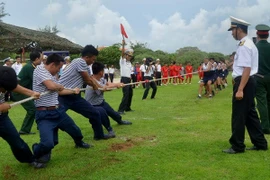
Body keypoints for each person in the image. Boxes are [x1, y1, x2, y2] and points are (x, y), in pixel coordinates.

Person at [32, 54, 91, 166]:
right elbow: (52, 87)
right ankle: (37, 149)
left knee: (76, 131)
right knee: (48, 143)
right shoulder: (40, 70)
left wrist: (73, 91)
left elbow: (59, 90)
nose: (59, 71)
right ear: (53, 64)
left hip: (58, 111)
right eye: (59, 68)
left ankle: (79, 142)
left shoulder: (53, 75)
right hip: (44, 114)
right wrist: (58, 86)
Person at [223, 16, 268, 154]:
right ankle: (260, 143)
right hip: (249, 81)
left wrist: (240, 89)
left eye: (233, 30)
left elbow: (246, 68)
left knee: (239, 115)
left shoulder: (244, 46)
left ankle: (237, 146)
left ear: (239, 30)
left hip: (245, 82)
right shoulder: (248, 43)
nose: (231, 33)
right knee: (250, 115)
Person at [58, 45, 114, 140]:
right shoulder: (80, 61)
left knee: (94, 113)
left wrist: (101, 87)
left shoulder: (86, 67)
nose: (93, 61)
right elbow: (87, 80)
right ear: (87, 57)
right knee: (56, 118)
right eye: (93, 59)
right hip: (62, 96)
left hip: (75, 96)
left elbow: (91, 79)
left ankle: (99, 136)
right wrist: (98, 87)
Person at [0, 66, 44, 168]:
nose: (6, 91)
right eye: (5, 89)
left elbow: (14, 86)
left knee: (16, 140)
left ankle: (30, 159)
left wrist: (31, 93)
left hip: (2, 119)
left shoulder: (4, 79)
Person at [85, 62, 132, 126]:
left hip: (100, 102)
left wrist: (118, 84)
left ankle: (120, 121)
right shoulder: (92, 82)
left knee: (113, 113)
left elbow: (108, 84)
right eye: (103, 70)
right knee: (100, 117)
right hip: (92, 105)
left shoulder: (101, 79)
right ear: (101, 72)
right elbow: (105, 88)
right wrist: (116, 86)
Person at [12, 51, 42, 135]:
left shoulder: (32, 67)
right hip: (19, 92)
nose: (42, 61)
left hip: (25, 92)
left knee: (36, 107)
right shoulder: (29, 68)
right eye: (41, 59)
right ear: (36, 59)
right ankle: (24, 130)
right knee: (32, 109)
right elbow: (38, 81)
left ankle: (40, 126)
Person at [254, 24, 270, 134]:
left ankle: (265, 126)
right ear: (268, 35)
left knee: (261, 102)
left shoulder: (255, 47)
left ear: (257, 34)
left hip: (259, 77)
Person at [118, 39, 134, 114]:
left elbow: (129, 71)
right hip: (124, 79)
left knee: (130, 93)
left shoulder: (129, 63)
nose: (130, 57)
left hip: (128, 79)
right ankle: (121, 110)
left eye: (131, 56)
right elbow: (122, 54)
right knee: (126, 94)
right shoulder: (122, 61)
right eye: (128, 55)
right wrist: (123, 45)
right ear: (126, 55)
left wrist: (130, 76)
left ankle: (128, 107)